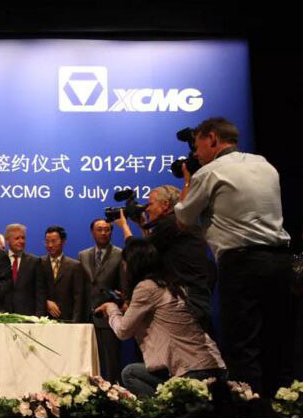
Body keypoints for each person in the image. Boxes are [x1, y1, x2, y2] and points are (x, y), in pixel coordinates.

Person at [174, 117, 293, 396]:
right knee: (278, 342)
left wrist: (189, 180)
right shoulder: (265, 164)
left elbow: (183, 220)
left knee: (242, 346)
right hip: (281, 262)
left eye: (197, 146)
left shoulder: (209, 172)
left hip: (241, 266)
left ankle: (250, 409)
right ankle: (283, 405)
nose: (195, 154)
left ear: (212, 138)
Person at [95, 238, 226, 398]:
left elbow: (123, 331)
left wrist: (111, 308)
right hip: (212, 364)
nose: (124, 268)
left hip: (191, 370)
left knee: (130, 374)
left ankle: (166, 407)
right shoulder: (170, 284)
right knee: (132, 372)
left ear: (133, 265)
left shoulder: (145, 287)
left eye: (125, 264)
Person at [114, 185, 214, 332]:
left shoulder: (171, 223)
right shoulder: (178, 223)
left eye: (150, 204)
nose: (147, 209)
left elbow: (138, 253)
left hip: (188, 304)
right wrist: (142, 225)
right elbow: (152, 251)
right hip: (193, 299)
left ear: (165, 205)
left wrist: (124, 226)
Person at [78, 219, 127, 383]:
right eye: (99, 229)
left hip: (108, 317)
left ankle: (114, 393)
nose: (103, 233)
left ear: (111, 232)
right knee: (87, 362)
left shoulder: (119, 254)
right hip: (87, 317)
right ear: (92, 232)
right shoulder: (83, 255)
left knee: (111, 362)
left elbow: (124, 285)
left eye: (107, 229)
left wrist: (123, 303)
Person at [42, 226, 86, 322]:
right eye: (47, 241)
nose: (50, 245)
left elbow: (78, 297)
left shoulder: (75, 266)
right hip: (43, 319)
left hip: (67, 319)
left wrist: (75, 322)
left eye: (53, 241)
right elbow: (33, 291)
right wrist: (45, 301)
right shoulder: (39, 263)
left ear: (63, 242)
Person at [3, 224, 46, 316]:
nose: (21, 241)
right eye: (17, 238)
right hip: (2, 314)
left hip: (27, 315)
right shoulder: (0, 258)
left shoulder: (35, 261)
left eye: (23, 238)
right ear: (7, 241)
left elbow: (40, 293)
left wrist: (39, 316)